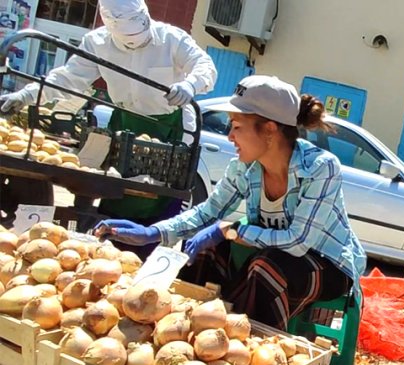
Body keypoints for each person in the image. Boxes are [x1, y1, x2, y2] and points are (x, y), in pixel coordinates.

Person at [94, 75, 366, 330]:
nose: (230, 136)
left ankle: (255, 350)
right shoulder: (244, 169)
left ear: (270, 129)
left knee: (266, 269)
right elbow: (207, 213)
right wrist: (153, 232)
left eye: (236, 126)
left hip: (327, 264)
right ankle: (187, 330)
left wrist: (231, 230)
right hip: (270, 255)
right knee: (202, 251)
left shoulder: (319, 167)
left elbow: (298, 242)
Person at [0, 0, 216, 250]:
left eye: (140, 33)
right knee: (114, 188)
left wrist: (191, 85)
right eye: (128, 38)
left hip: (170, 129)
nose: (137, 40)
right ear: (111, 28)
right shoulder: (97, 43)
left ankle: (146, 249)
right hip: (124, 124)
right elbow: (68, 78)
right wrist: (26, 95)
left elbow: (205, 66)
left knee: (157, 196)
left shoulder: (172, 39)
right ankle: (107, 244)